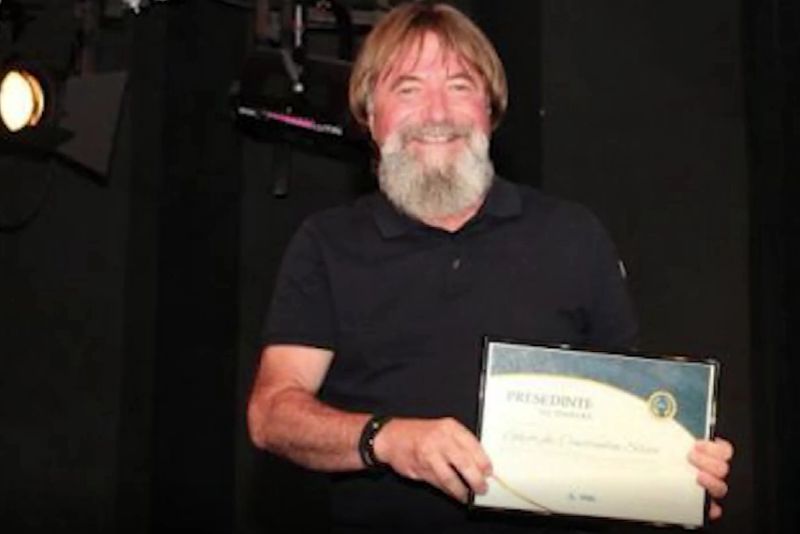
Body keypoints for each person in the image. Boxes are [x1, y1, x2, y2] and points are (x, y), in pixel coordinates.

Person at [247, 2, 734, 532]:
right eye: (408, 89)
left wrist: (670, 478)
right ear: (370, 115)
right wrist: (387, 439)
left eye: (460, 86)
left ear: (490, 110)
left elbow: (624, 419)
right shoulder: (328, 244)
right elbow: (272, 414)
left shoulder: (572, 235)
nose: (437, 112)